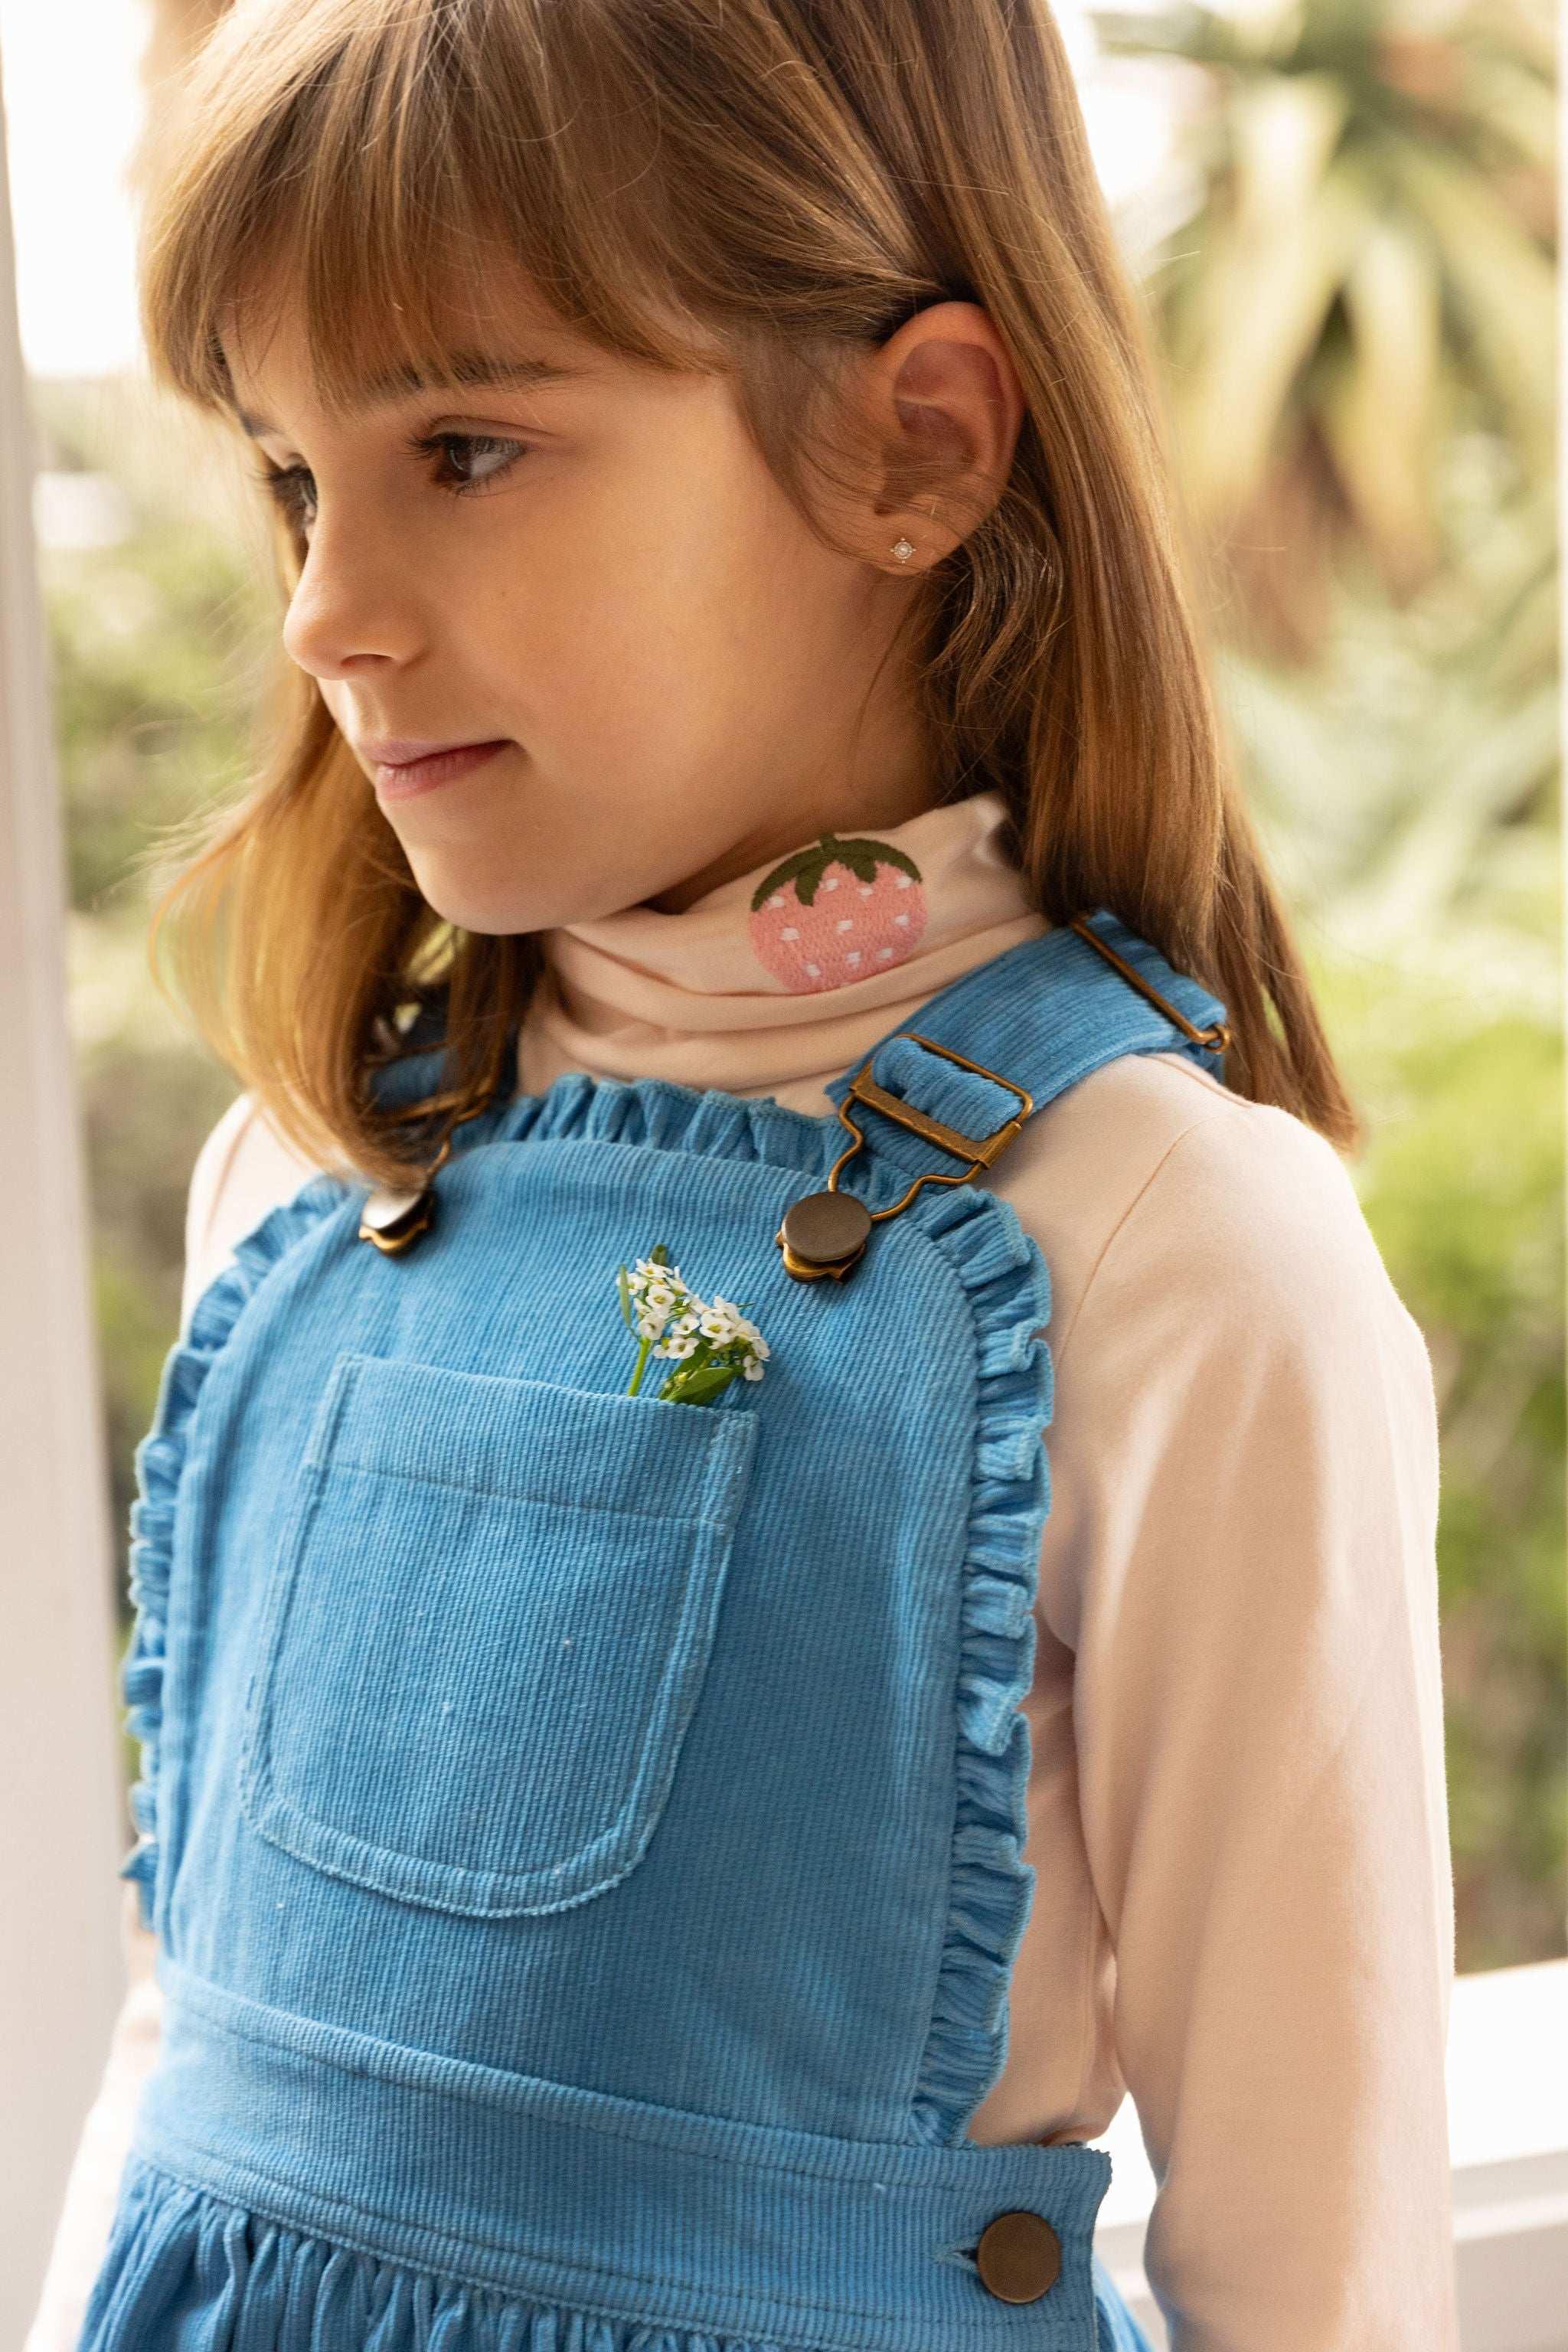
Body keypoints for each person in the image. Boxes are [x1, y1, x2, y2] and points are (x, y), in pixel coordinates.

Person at [29, 1, 1459, 2346]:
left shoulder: (1171, 1252)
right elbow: (190, 2085)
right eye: (292, 477)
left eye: (465, 448)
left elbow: (1324, 2279)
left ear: (916, 445)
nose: (325, 610)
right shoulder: (301, 1177)